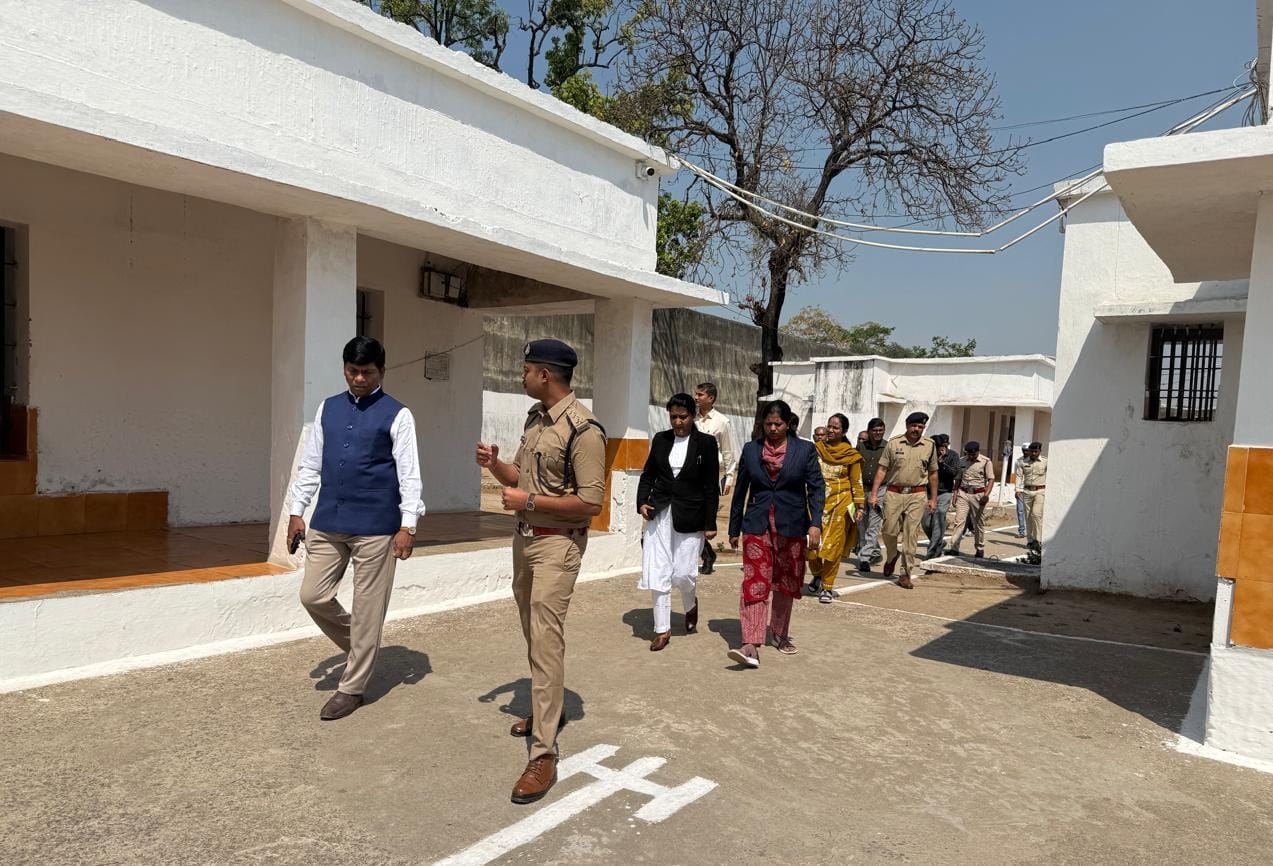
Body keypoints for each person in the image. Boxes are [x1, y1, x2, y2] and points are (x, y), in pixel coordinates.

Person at [474, 339, 606, 805]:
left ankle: (544, 753)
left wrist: (527, 500)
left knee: (546, 640)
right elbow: (521, 480)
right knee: (533, 633)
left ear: (546, 375)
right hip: (526, 540)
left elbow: (591, 502)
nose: (522, 376)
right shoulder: (536, 420)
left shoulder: (583, 429)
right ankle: (549, 710)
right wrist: (496, 466)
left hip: (558, 545)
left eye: (527, 370)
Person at [288, 336, 423, 722]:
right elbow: (311, 464)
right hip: (329, 519)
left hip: (377, 526)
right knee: (313, 596)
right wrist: (297, 511)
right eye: (352, 371)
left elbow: (409, 474)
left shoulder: (398, 414)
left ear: (382, 371)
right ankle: (364, 647)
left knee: (368, 609)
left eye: (367, 372)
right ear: (344, 369)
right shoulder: (328, 408)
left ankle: (352, 689)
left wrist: (408, 525)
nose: (359, 379)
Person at [726, 400, 824, 667]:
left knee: (785, 582)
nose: (772, 429)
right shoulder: (751, 449)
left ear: (788, 424)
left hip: (792, 525)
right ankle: (750, 643)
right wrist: (734, 527)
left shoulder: (804, 450)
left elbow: (816, 488)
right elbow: (740, 491)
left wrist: (815, 523)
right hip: (757, 524)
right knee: (755, 581)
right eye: (768, 424)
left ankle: (779, 633)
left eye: (777, 424)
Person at [636, 393, 720, 651]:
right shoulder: (661, 439)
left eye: (683, 417)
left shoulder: (706, 443)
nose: (677, 422)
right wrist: (642, 501)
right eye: (673, 417)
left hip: (691, 515)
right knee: (658, 570)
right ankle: (662, 629)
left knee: (683, 572)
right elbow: (648, 474)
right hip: (660, 512)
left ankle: (690, 604)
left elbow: (710, 486)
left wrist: (710, 523)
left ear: (693, 416)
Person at [868, 411, 937, 590]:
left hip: (917, 494)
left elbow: (933, 473)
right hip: (894, 493)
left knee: (910, 535)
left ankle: (905, 573)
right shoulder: (894, 443)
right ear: (907, 425)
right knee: (888, 530)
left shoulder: (929, 445)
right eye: (914, 426)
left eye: (920, 426)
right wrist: (874, 494)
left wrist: (933, 498)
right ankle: (892, 555)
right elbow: (882, 469)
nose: (916, 429)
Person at [806, 413, 864, 603]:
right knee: (811, 543)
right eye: (829, 426)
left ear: (844, 431)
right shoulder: (816, 449)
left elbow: (856, 482)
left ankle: (827, 587)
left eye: (836, 428)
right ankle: (817, 574)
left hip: (841, 503)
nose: (830, 430)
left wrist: (860, 506)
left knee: (833, 546)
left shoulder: (851, 455)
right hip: (816, 502)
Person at [693, 382, 737, 575]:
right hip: (689, 473)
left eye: (700, 394)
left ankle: (707, 554)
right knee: (691, 516)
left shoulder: (722, 422)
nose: (696, 398)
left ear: (711, 398)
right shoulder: (690, 417)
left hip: (710, 475)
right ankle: (706, 553)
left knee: (704, 516)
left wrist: (729, 477)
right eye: (696, 394)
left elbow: (727, 451)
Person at [949, 441, 995, 558]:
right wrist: (955, 494)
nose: (970, 456)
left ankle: (979, 548)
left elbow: (991, 479)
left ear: (978, 452)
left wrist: (986, 495)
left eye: (973, 454)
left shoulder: (986, 461)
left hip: (978, 495)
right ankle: (954, 548)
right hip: (963, 493)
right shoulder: (962, 461)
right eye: (968, 454)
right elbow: (958, 479)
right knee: (959, 521)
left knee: (978, 522)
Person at [856, 418, 888, 572]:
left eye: (880, 430)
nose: (877, 433)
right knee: (861, 524)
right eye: (875, 430)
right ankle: (870, 551)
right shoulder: (861, 446)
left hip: (880, 489)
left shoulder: (888, 447)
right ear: (869, 431)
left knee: (874, 525)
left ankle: (864, 558)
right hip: (862, 488)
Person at [923, 434, 961, 559]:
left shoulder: (953, 455)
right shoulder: (928, 455)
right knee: (925, 522)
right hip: (928, 493)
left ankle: (932, 551)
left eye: (942, 446)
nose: (940, 449)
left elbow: (954, 473)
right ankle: (939, 542)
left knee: (938, 520)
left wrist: (942, 462)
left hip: (944, 492)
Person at [1018, 441, 1048, 563]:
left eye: (1036, 451)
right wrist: (1017, 489)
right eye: (1032, 451)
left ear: (1040, 451)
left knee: (1036, 514)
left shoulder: (1046, 462)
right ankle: (1030, 540)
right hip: (1027, 491)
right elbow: (1019, 476)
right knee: (1028, 515)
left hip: (1040, 491)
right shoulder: (1023, 462)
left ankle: (1038, 540)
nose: (1034, 453)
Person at [1014, 444, 1029, 538]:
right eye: (1024, 450)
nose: (1025, 452)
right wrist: (1017, 489)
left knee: (1031, 512)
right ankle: (1021, 531)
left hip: (1030, 489)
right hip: (1021, 489)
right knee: (1020, 510)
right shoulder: (1018, 461)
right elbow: (1017, 476)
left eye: (1027, 450)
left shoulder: (1034, 461)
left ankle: (1031, 532)